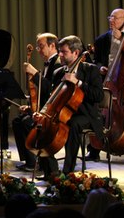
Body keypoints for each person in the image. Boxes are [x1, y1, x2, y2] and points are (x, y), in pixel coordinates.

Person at [34, 35, 104, 177]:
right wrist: (42, 112)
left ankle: (68, 172)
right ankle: (51, 171)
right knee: (41, 124)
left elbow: (98, 96)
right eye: (59, 51)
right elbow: (53, 98)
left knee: (72, 124)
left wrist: (78, 83)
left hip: (86, 114)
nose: (60, 54)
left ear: (76, 53)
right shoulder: (58, 72)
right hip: (64, 113)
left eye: (64, 52)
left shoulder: (91, 70)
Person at [88, 7, 124, 161]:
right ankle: (94, 150)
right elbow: (96, 61)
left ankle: (123, 137)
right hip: (108, 81)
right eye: (110, 17)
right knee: (97, 110)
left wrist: (123, 39)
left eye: (116, 18)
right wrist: (100, 67)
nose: (112, 20)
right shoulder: (101, 39)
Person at [13, 32, 60, 172]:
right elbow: (42, 94)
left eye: (41, 46)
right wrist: (30, 107)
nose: (38, 50)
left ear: (52, 46)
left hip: (54, 111)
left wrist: (35, 73)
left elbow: (51, 90)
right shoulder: (48, 63)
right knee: (17, 121)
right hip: (44, 108)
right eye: (38, 47)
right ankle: (30, 161)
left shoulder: (58, 63)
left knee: (26, 122)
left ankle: (37, 163)